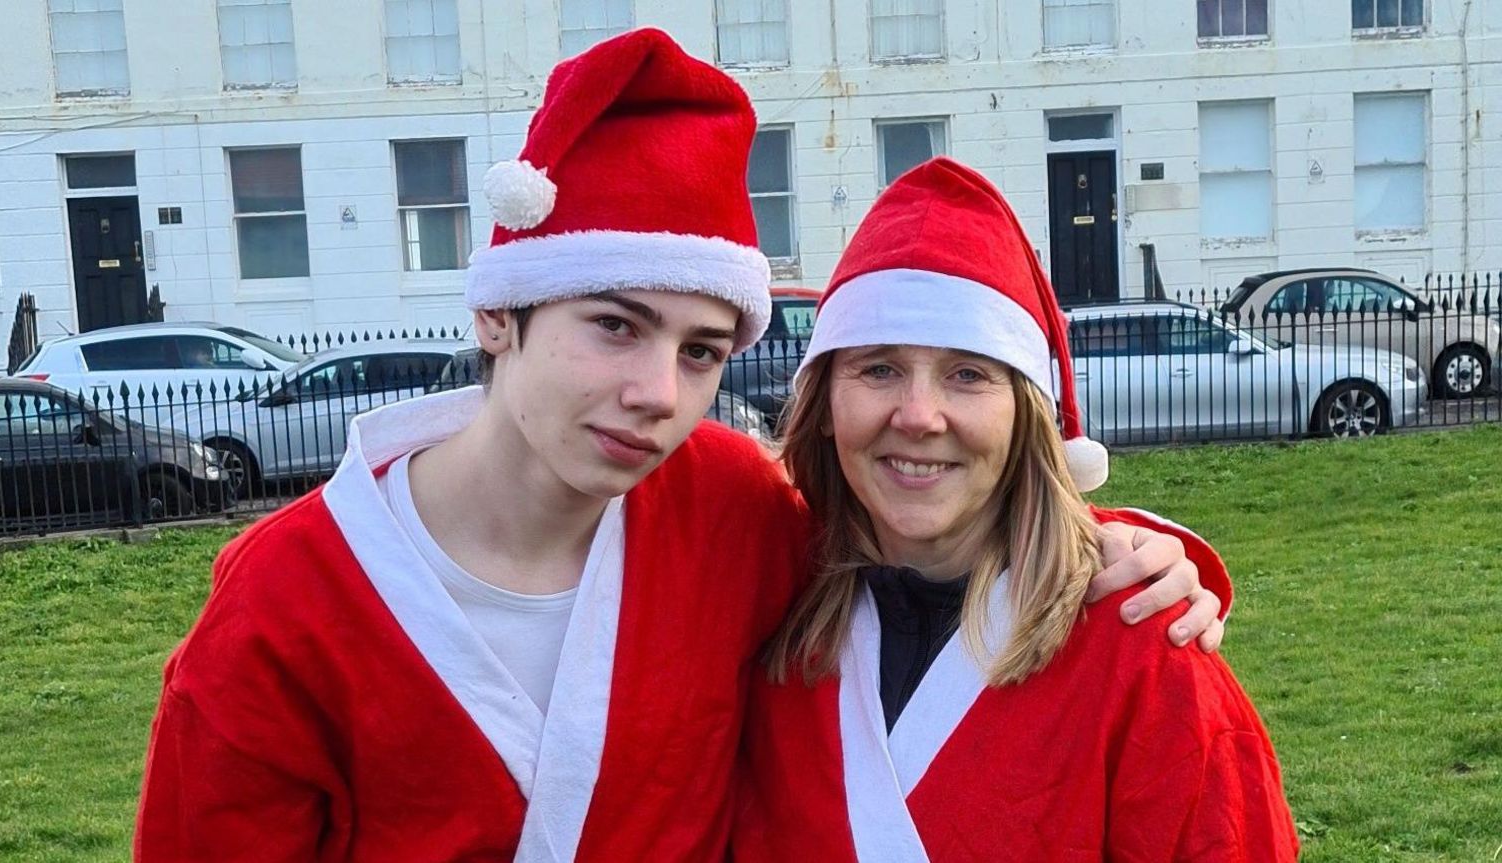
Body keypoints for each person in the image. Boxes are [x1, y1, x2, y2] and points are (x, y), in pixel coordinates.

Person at [135, 31, 1231, 863]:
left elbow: (920, 533)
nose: (657, 393)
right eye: (614, 324)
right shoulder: (287, 602)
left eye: (703, 350)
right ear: (496, 314)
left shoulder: (725, 511)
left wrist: (1132, 547)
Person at [732, 157, 1298, 862]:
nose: (917, 415)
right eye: (878, 367)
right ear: (824, 406)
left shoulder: (1147, 649)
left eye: (967, 373)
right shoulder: (768, 629)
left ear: (1025, 415)